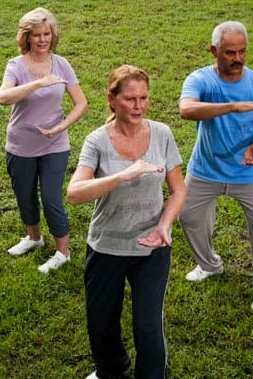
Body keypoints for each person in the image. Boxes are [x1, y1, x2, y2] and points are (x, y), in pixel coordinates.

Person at [67, 65, 187, 379]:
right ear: (112, 100)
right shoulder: (97, 141)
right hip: (107, 245)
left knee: (147, 326)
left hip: (151, 247)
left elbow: (178, 189)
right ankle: (111, 369)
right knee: (101, 323)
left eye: (143, 98)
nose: (138, 106)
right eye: (130, 99)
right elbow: (75, 194)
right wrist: (123, 174)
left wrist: (164, 226)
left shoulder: (161, 133)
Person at [177, 21, 253, 314]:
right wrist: (233, 106)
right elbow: (186, 110)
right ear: (214, 51)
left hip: (248, 171)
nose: (237, 59)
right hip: (206, 168)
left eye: (242, 52)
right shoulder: (201, 80)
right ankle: (210, 265)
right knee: (188, 216)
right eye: (229, 52)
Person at [0, 7, 89, 273]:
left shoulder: (61, 64)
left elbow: (81, 103)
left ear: (53, 35)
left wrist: (61, 126)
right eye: (36, 35)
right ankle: (34, 238)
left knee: (51, 197)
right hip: (20, 144)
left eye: (46, 33)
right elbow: (3, 98)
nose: (42, 40)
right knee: (25, 196)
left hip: (55, 144)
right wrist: (39, 83)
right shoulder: (15, 66)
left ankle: (63, 252)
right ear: (26, 37)